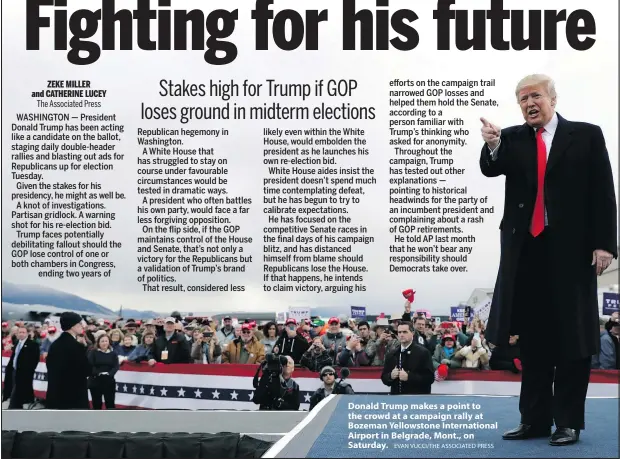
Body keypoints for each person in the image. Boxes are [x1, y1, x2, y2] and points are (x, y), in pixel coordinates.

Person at [480, 74, 617, 446]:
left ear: (552, 99)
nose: (528, 103)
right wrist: (492, 145)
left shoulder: (587, 135)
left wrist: (605, 245)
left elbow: (603, 190)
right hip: (527, 254)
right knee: (535, 342)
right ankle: (534, 420)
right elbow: (492, 168)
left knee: (573, 339)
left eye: (535, 96)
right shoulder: (511, 138)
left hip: (572, 255)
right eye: (522, 98)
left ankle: (568, 422)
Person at [45, 312, 91, 409]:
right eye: (79, 323)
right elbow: (86, 370)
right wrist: (85, 348)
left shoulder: (54, 345)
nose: (82, 326)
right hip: (74, 397)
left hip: (56, 395)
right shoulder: (76, 346)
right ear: (72, 326)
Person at [381, 322, 435, 395]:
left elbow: (430, 378)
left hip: (417, 399)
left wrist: (409, 377)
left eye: (405, 332)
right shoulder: (391, 354)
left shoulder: (423, 353)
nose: (401, 335)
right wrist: (390, 376)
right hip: (396, 399)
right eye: (399, 332)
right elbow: (384, 378)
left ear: (412, 333)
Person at [2, 326, 40, 409]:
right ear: (17, 334)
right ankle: (17, 405)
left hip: (24, 372)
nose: (21, 334)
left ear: (27, 334)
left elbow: (35, 359)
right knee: (14, 388)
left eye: (23, 332)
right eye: (20, 332)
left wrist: (29, 370)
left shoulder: (33, 344)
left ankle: (13, 406)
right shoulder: (16, 343)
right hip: (14, 370)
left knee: (17, 390)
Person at [88, 334, 119, 409]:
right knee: (97, 403)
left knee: (110, 403)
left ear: (109, 342)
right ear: (98, 343)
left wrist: (110, 374)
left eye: (106, 341)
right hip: (96, 380)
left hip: (109, 381)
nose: (104, 343)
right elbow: (90, 365)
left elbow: (116, 366)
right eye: (102, 341)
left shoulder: (113, 353)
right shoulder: (93, 352)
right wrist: (98, 373)